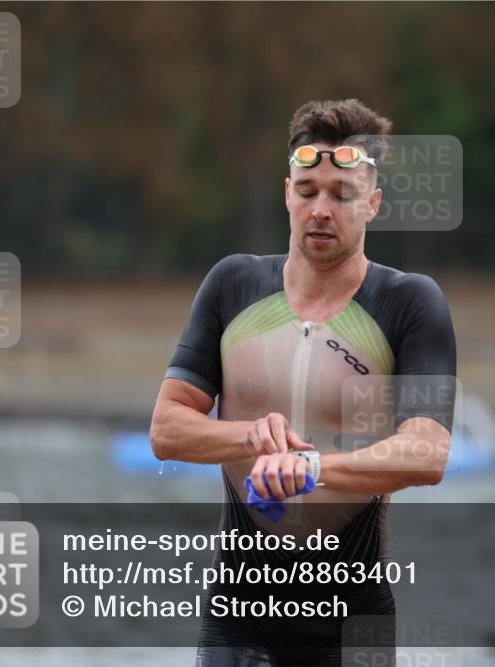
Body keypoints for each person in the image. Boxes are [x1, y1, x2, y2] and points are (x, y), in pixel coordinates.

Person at [149, 98, 457, 666]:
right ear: (286, 193)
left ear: (373, 205)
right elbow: (167, 429)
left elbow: (429, 451)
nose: (321, 209)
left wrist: (312, 467)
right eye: (308, 190)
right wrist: (249, 439)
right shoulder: (232, 284)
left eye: (342, 195)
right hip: (237, 614)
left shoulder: (410, 302)